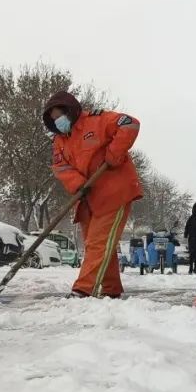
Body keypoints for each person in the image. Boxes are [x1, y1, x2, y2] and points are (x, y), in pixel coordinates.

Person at [43, 91, 142, 298]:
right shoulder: (60, 141)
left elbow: (130, 124)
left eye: (60, 115)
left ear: (71, 111)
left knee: (99, 242)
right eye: (53, 120)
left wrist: (114, 153)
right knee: (99, 244)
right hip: (88, 197)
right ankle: (111, 289)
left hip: (114, 192)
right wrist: (78, 183)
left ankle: (83, 289)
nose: (58, 122)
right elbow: (60, 167)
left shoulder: (97, 121)